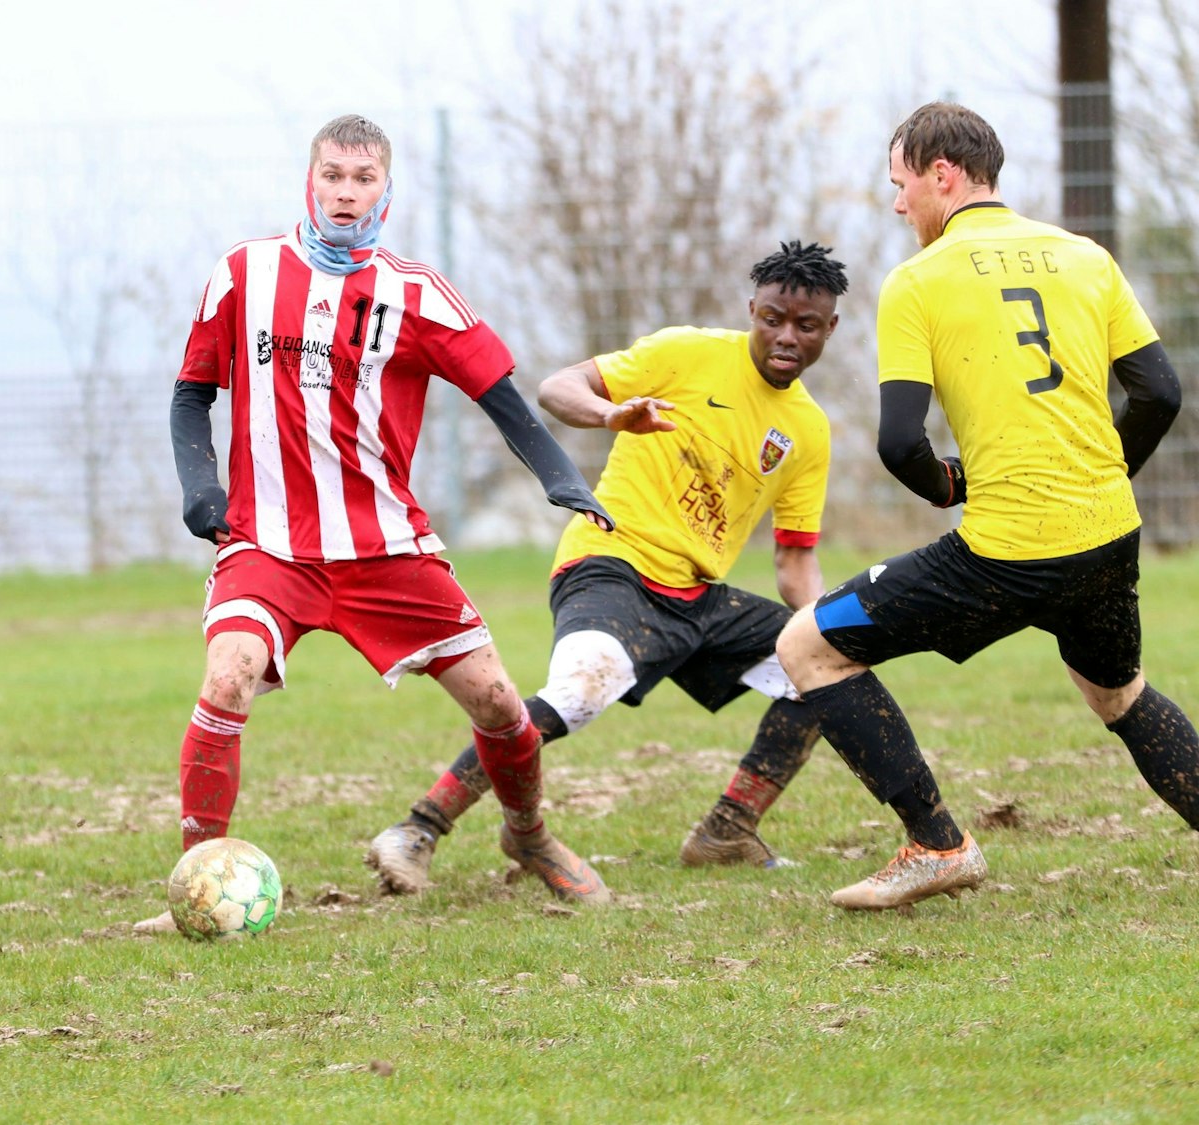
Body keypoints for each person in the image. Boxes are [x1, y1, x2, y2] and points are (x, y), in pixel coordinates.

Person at [133, 114, 617, 932]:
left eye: (363, 179)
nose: (346, 193)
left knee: (501, 704)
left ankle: (529, 835)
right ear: (309, 180)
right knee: (224, 679)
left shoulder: (417, 292)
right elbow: (192, 391)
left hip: (385, 547)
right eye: (333, 176)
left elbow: (502, 395)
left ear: (385, 189)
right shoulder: (244, 273)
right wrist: (198, 486)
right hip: (269, 545)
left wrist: (562, 476)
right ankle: (198, 881)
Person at [775, 102, 1194, 910]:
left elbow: (900, 443)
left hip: (1006, 551)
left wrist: (949, 487)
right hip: (1108, 534)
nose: (897, 204)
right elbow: (1161, 393)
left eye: (900, 184)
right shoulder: (1085, 257)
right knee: (1118, 693)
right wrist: (1100, 474)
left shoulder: (918, 282)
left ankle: (937, 844)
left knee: (808, 647)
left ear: (943, 174)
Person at [365, 242, 849, 894]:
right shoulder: (686, 353)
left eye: (806, 325)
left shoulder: (809, 431)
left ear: (830, 328)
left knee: (827, 670)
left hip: (696, 597)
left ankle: (728, 828)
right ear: (752, 311)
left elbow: (794, 563)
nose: (786, 335)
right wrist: (608, 414)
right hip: (610, 564)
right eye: (772, 318)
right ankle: (419, 828)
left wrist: (826, 629)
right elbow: (555, 388)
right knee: (581, 690)